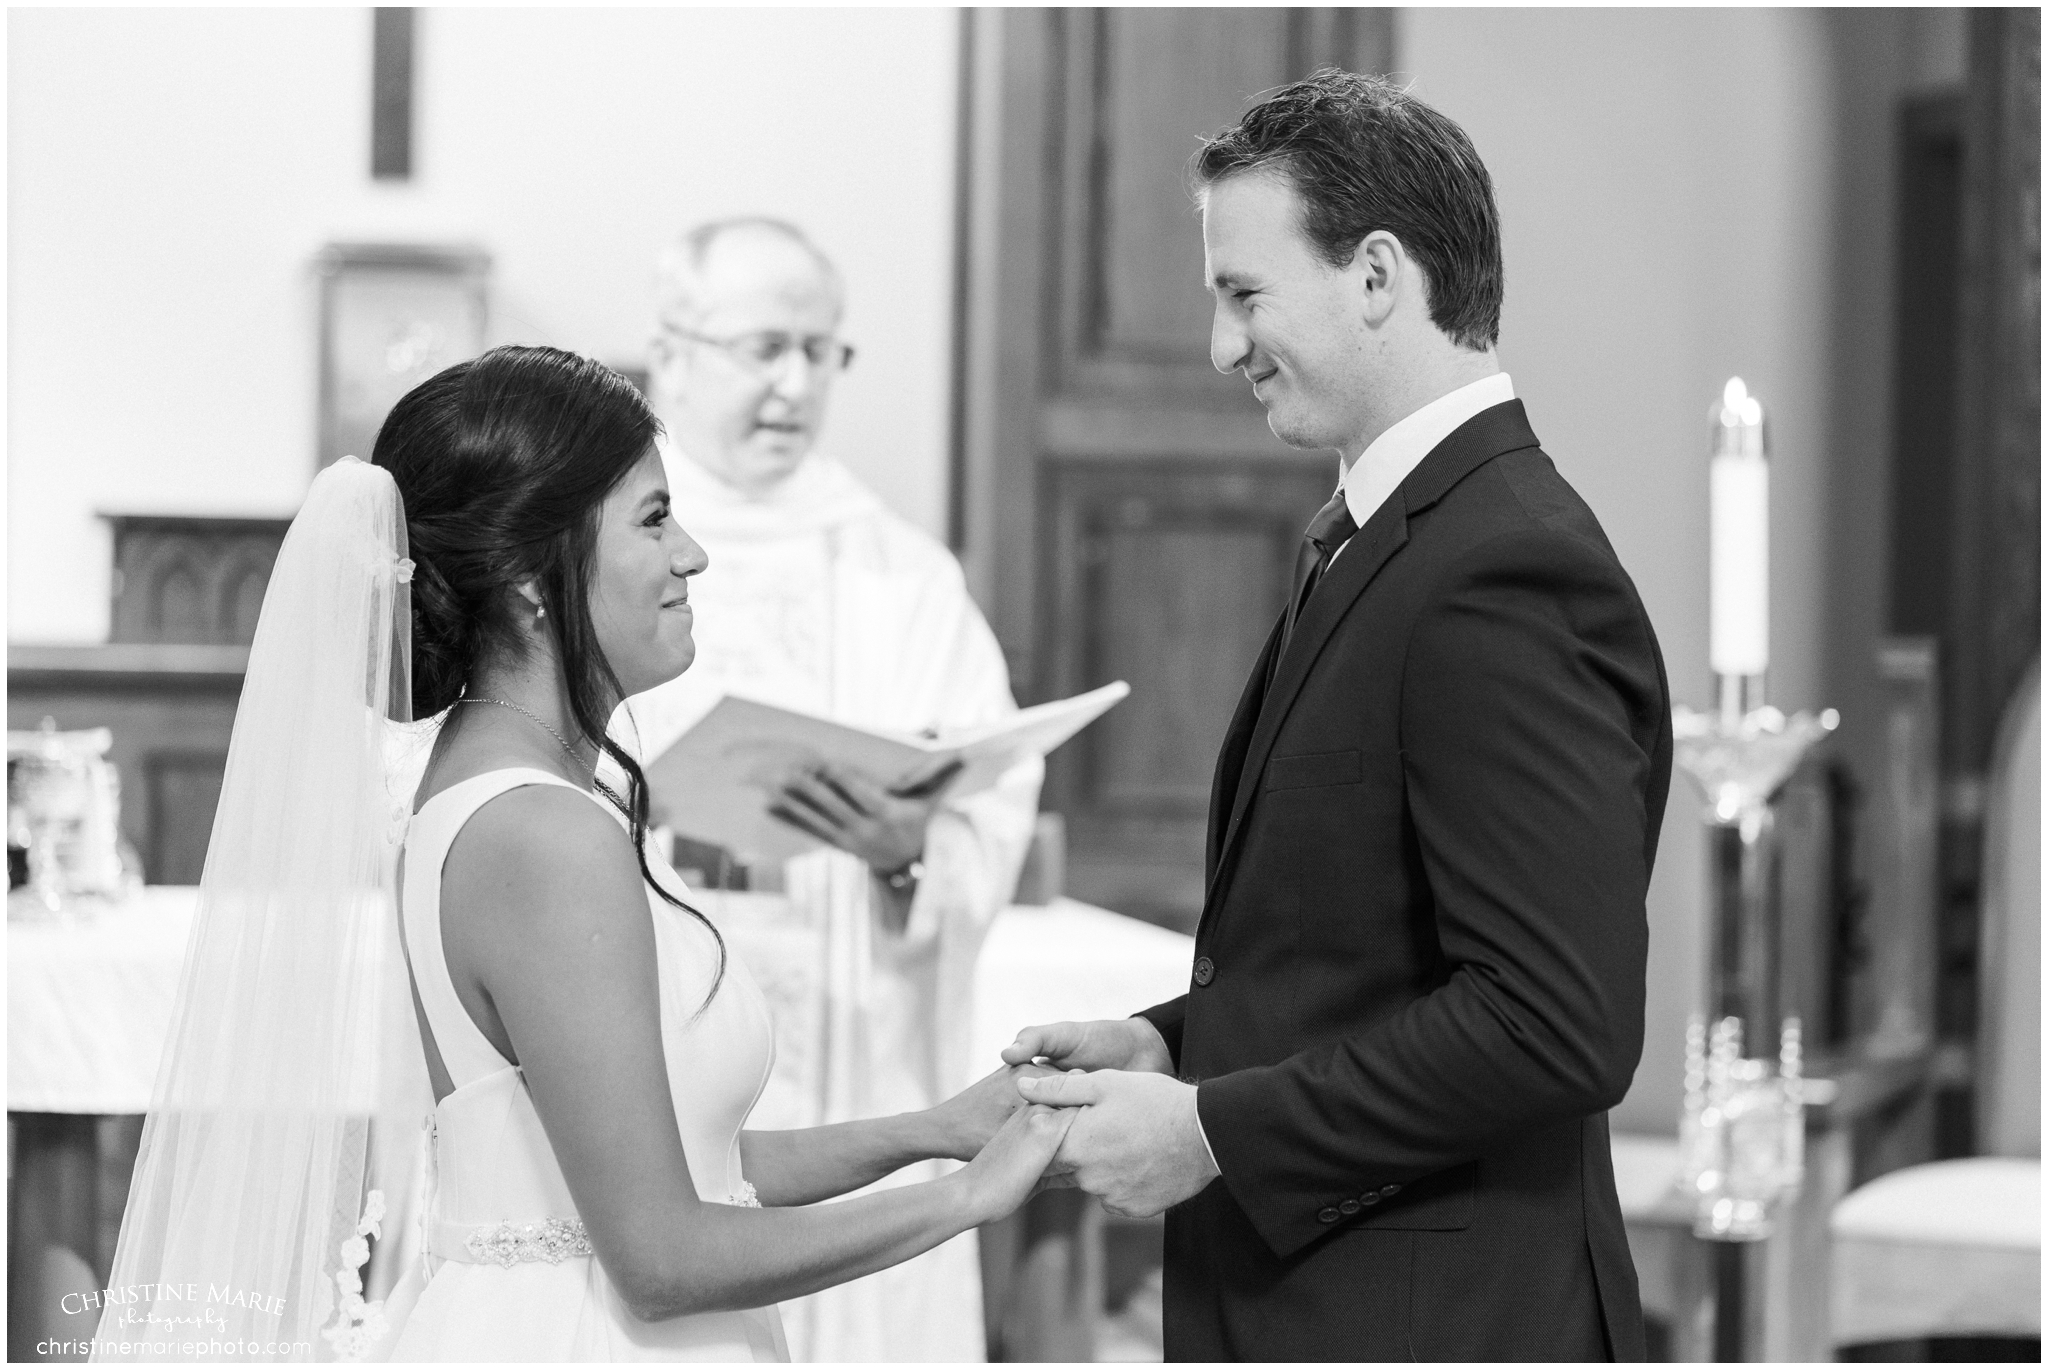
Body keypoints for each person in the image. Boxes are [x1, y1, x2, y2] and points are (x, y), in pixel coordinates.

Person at [96, 345, 1070, 1363]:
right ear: (528, 577)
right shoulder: (541, 835)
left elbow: (674, 1161)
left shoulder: (507, 791)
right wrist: (966, 1200)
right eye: (653, 518)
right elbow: (662, 1255)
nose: (692, 553)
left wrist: (936, 1130)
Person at [1007, 71, 1669, 1361]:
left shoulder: (1499, 567)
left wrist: (1211, 1130)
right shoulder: (1398, 540)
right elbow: (1366, 952)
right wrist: (1168, 1042)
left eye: (1242, 292)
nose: (1219, 345)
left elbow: (1552, 1019)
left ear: (1375, 275)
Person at [623, 218, 1040, 1362]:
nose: (795, 382)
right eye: (764, 346)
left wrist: (910, 850)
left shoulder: (896, 572)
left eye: (822, 351)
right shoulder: (596, 545)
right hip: (649, 1051)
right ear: (673, 352)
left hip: (855, 1046)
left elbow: (985, 804)